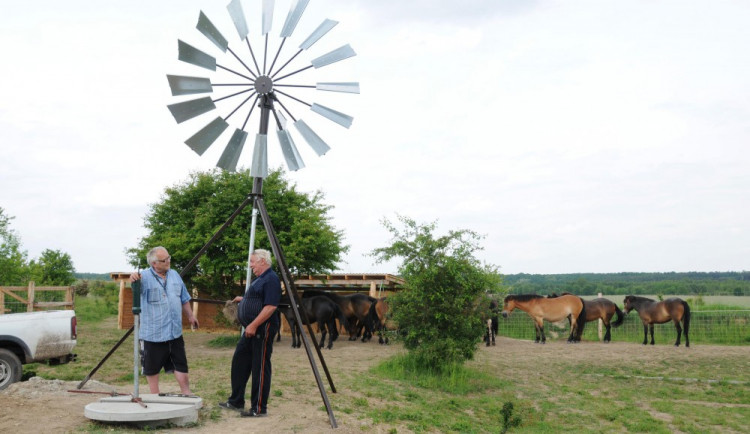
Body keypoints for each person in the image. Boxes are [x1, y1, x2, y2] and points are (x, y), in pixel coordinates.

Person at [219, 249, 281, 417]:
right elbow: (257, 299)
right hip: (251, 330)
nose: (250, 265)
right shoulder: (260, 279)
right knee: (239, 361)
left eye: (252, 262)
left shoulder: (271, 279)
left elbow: (270, 306)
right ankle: (236, 401)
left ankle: (259, 408)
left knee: (259, 367)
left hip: (262, 328)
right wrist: (244, 299)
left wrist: (253, 325)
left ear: (262, 261)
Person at [130, 246, 199, 395]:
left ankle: (187, 393)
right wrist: (133, 279)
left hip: (174, 332)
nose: (168, 261)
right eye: (164, 260)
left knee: (180, 365)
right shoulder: (143, 278)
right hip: (153, 334)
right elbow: (136, 289)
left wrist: (190, 316)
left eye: (169, 258)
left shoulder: (174, 275)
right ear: (154, 263)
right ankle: (155, 396)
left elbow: (184, 298)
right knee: (152, 368)